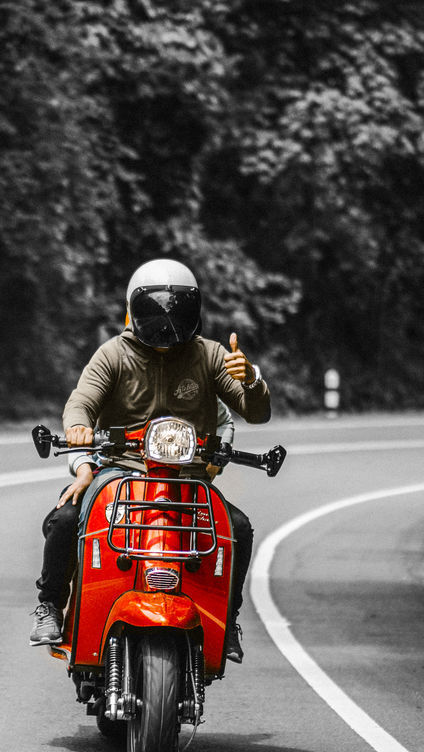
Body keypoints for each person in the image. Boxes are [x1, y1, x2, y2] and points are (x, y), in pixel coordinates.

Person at [29, 258, 271, 663]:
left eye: (177, 312)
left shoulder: (211, 356)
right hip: (117, 472)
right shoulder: (112, 355)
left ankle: (227, 620)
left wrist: (250, 378)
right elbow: (80, 404)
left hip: (189, 479)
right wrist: (80, 442)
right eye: (154, 311)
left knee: (239, 529)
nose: (166, 323)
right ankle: (50, 605)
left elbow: (256, 411)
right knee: (67, 517)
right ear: (132, 310)